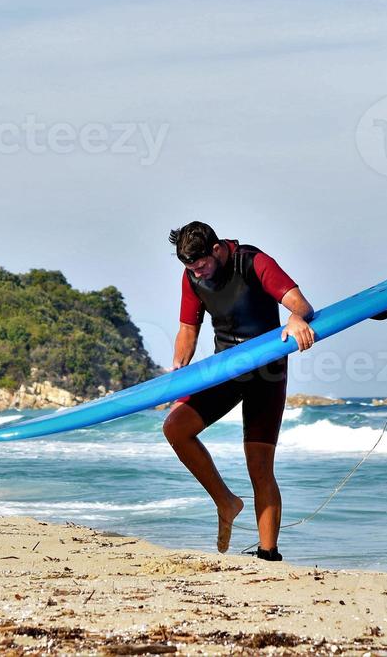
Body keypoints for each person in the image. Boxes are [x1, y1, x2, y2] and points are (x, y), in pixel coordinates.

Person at [162, 221, 315, 561]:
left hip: (266, 370)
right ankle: (226, 501)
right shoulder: (192, 277)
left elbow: (301, 306)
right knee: (175, 427)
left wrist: (294, 319)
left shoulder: (253, 262)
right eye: (190, 268)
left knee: (259, 465)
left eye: (200, 265)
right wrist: (178, 372)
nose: (197, 273)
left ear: (216, 250)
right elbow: (188, 329)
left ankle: (268, 553)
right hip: (226, 367)